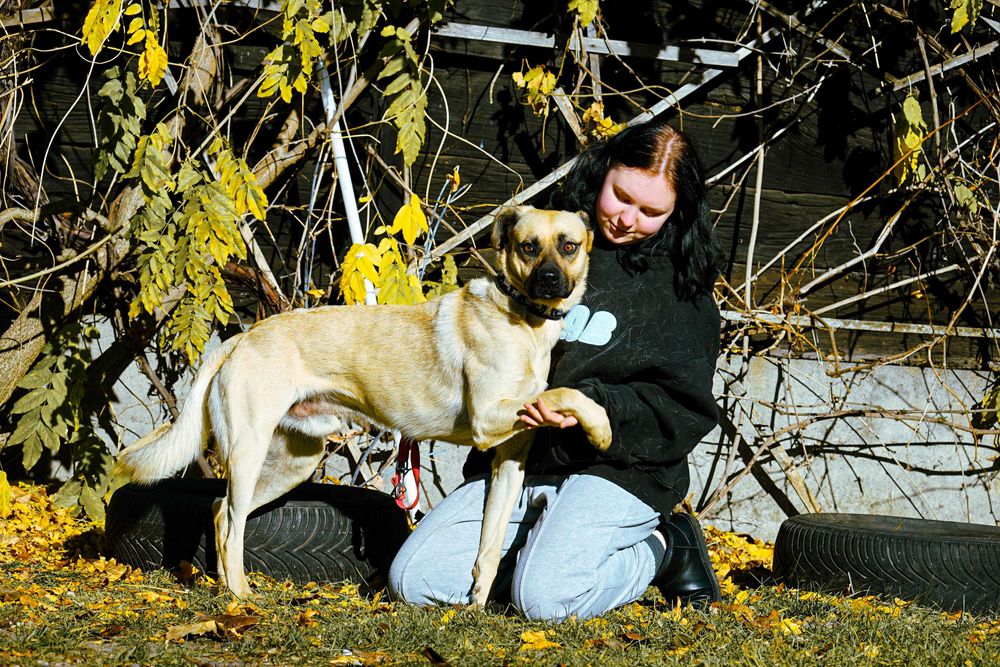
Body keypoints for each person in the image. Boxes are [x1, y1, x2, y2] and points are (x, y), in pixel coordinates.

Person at [388, 119, 722, 621]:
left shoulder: (681, 293)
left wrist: (596, 406)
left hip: (616, 470)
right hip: (520, 462)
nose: (628, 219)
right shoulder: (546, 239)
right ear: (603, 173)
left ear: (678, 213)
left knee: (545, 602)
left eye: (651, 211)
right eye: (621, 197)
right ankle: (536, 556)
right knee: (417, 580)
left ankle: (663, 550)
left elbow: (681, 410)